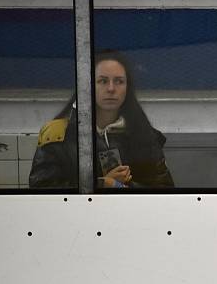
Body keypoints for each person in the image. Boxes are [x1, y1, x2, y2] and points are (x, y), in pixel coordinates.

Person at [29, 50, 174, 189]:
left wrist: (118, 187)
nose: (111, 88)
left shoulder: (145, 135)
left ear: (127, 87)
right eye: (103, 81)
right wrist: (100, 185)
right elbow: (41, 189)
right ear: (87, 86)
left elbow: (165, 191)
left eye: (118, 81)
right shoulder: (58, 135)